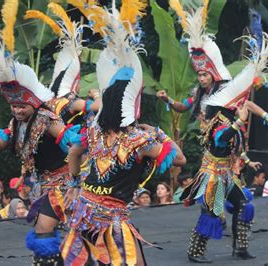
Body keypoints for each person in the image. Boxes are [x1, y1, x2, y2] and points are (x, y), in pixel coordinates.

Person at [61, 3, 186, 265]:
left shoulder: (94, 131)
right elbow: (180, 160)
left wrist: (73, 184)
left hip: (84, 208)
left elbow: (73, 151)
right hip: (111, 217)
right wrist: (160, 133)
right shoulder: (139, 141)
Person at [0, 3, 82, 263]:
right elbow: (1, 144)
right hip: (42, 185)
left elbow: (73, 144)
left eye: (21, 105)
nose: (17, 110)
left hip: (61, 184)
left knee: (49, 232)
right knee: (54, 233)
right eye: (13, 106)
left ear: (33, 102)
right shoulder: (17, 123)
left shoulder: (47, 119)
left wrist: (75, 181)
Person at [176, 3, 268, 262]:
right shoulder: (219, 113)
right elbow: (220, 139)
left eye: (204, 74)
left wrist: (266, 117)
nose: (201, 78)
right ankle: (195, 251)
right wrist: (237, 123)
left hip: (226, 171)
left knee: (244, 205)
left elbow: (244, 105)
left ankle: (240, 248)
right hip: (214, 174)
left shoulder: (225, 101)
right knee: (212, 211)